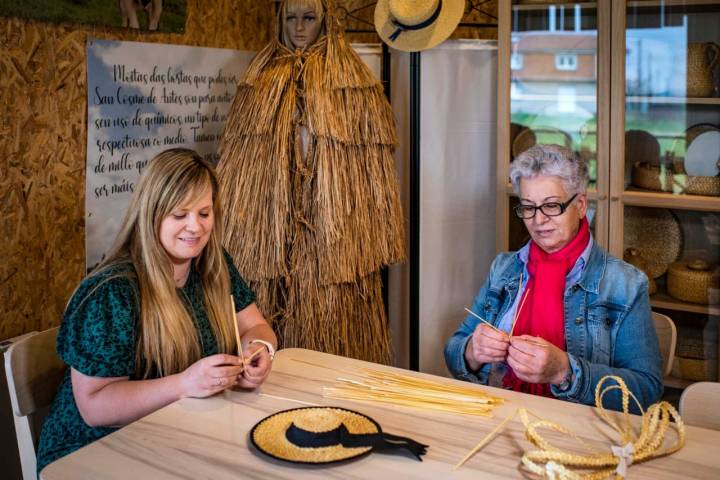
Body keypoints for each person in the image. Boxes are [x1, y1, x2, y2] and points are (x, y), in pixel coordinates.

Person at [37, 148, 277, 472]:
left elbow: (255, 326)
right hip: (93, 454)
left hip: (172, 434)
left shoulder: (213, 264)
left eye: (204, 213)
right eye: (180, 215)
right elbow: (95, 407)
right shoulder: (112, 291)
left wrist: (260, 350)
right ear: (151, 214)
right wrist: (184, 385)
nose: (195, 227)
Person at [217, 0, 404, 364]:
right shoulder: (259, 79)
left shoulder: (354, 81)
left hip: (331, 240)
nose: (299, 28)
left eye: (309, 18)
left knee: (334, 332)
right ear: (279, 22)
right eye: (291, 18)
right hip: (270, 232)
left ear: (326, 21)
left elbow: (371, 173)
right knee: (267, 309)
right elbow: (240, 166)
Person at [444, 144, 663, 412]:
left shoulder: (625, 284)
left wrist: (564, 372)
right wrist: (472, 352)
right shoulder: (504, 268)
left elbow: (646, 392)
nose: (538, 220)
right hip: (500, 418)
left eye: (551, 206)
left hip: (582, 438)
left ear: (581, 205)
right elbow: (454, 351)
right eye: (528, 207)